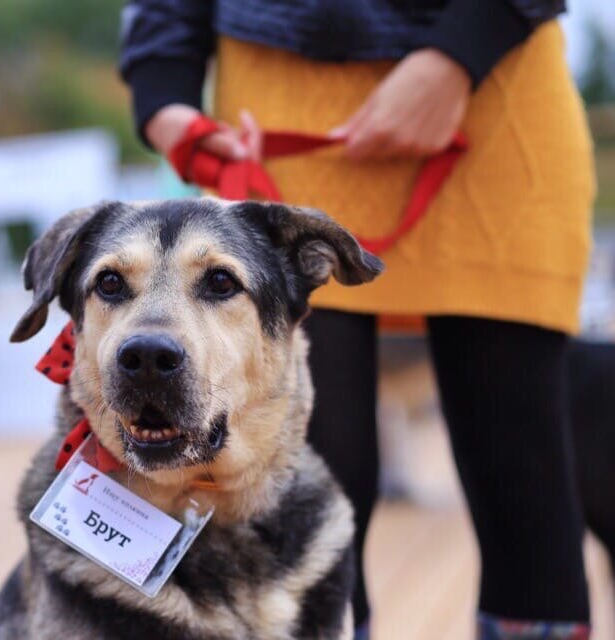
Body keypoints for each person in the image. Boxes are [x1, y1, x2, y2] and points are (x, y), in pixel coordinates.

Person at [120, 2, 594, 638]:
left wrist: (455, 59)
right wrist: (168, 101)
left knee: (524, 483)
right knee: (312, 476)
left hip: (496, 94)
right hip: (279, 120)